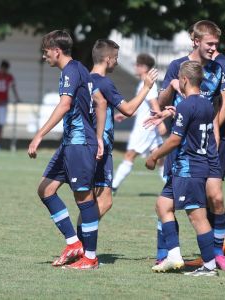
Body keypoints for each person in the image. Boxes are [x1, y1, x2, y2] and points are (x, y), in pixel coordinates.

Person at [150, 20, 225, 272]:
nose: (214, 49)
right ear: (196, 41)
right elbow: (163, 99)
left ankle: (216, 254)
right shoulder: (179, 67)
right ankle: (164, 252)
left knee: (215, 198)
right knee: (170, 196)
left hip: (212, 140)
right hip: (183, 143)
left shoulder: (222, 66)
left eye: (217, 44)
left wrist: (209, 133)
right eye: (210, 44)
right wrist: (173, 87)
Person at [28, 30, 107, 270]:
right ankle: (74, 243)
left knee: (84, 198)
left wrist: (39, 135)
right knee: (46, 189)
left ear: (56, 50)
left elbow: (65, 104)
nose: (44, 57)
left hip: (79, 143)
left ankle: (90, 258)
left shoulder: (71, 71)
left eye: (45, 52)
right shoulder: (81, 69)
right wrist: (100, 137)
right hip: (73, 142)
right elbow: (100, 102)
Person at [79, 41, 158, 241]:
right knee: (104, 201)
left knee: (92, 200)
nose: (117, 62)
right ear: (108, 59)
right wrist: (147, 87)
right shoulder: (104, 83)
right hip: (100, 148)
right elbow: (129, 109)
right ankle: (80, 245)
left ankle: (79, 245)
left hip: (83, 144)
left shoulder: (84, 79)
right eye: (116, 58)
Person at [145, 60, 218, 276]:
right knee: (162, 205)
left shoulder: (188, 105)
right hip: (183, 168)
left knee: (197, 217)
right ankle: (174, 256)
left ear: (184, 80)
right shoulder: (205, 102)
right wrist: (173, 113)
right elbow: (193, 121)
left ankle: (210, 266)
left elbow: (175, 140)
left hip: (190, 168)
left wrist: (154, 156)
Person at [111, 53, 166, 195]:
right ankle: (174, 188)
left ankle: (113, 187)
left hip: (145, 128)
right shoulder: (144, 83)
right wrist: (124, 115)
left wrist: (160, 123)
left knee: (129, 156)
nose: (135, 67)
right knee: (160, 159)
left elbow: (154, 103)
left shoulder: (148, 84)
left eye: (137, 65)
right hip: (149, 127)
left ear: (143, 67)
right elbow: (143, 107)